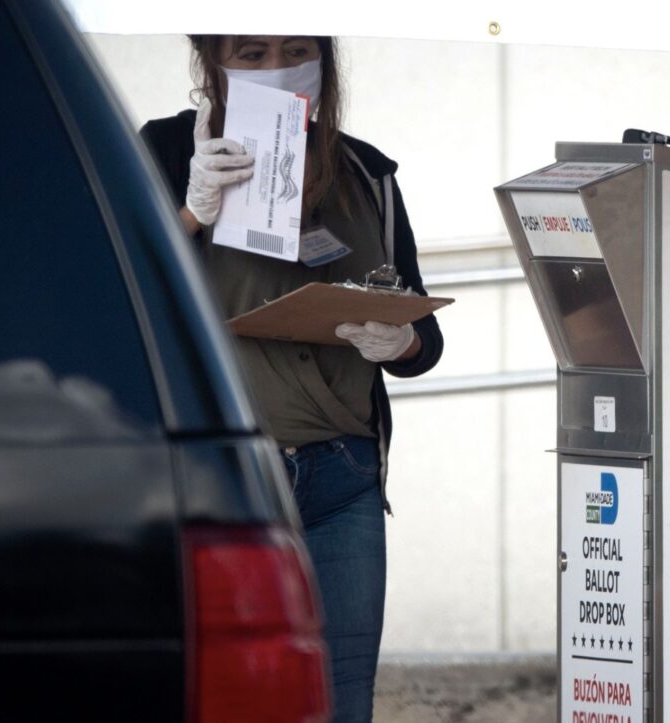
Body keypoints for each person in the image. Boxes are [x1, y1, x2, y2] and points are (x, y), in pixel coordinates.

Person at [140, 35, 444, 722]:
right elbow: (117, 295)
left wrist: (401, 338)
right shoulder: (163, 151)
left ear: (327, 60)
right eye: (250, 52)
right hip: (223, 480)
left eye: (297, 48)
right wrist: (188, 215)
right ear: (212, 62)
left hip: (345, 478)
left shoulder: (366, 172)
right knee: (224, 696)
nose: (276, 66)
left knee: (341, 700)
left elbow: (426, 338)